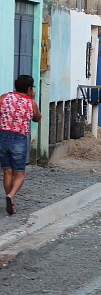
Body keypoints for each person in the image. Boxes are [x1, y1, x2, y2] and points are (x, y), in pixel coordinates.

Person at [0, 75, 41, 215]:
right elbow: (37, 118)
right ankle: (11, 195)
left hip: (2, 137)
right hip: (19, 139)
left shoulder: (4, 97)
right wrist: (33, 99)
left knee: (7, 172)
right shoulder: (30, 102)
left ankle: (10, 198)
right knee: (19, 174)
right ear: (29, 88)